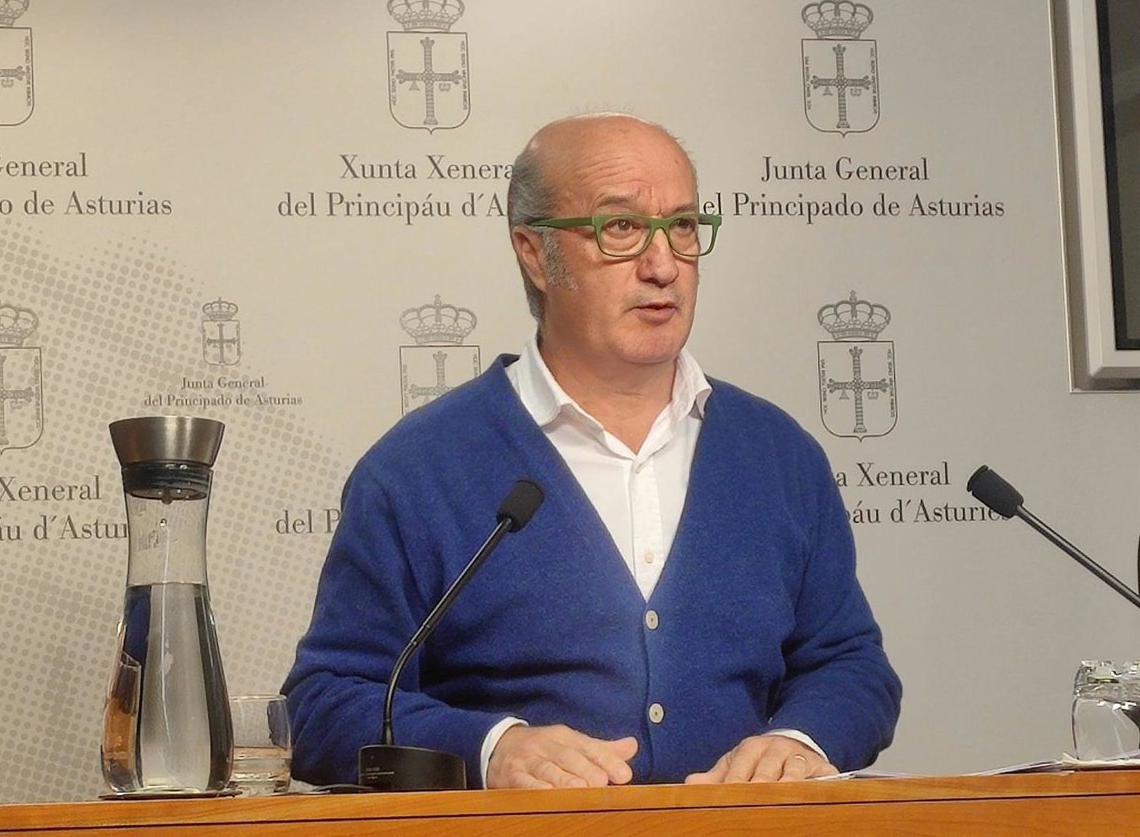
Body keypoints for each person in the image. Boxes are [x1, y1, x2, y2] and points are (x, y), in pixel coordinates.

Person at [283, 113, 901, 789]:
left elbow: (851, 666)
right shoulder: (418, 469)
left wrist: (799, 740)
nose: (663, 266)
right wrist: (490, 749)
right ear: (533, 252)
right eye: (622, 228)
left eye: (683, 227)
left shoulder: (779, 455)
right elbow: (325, 704)